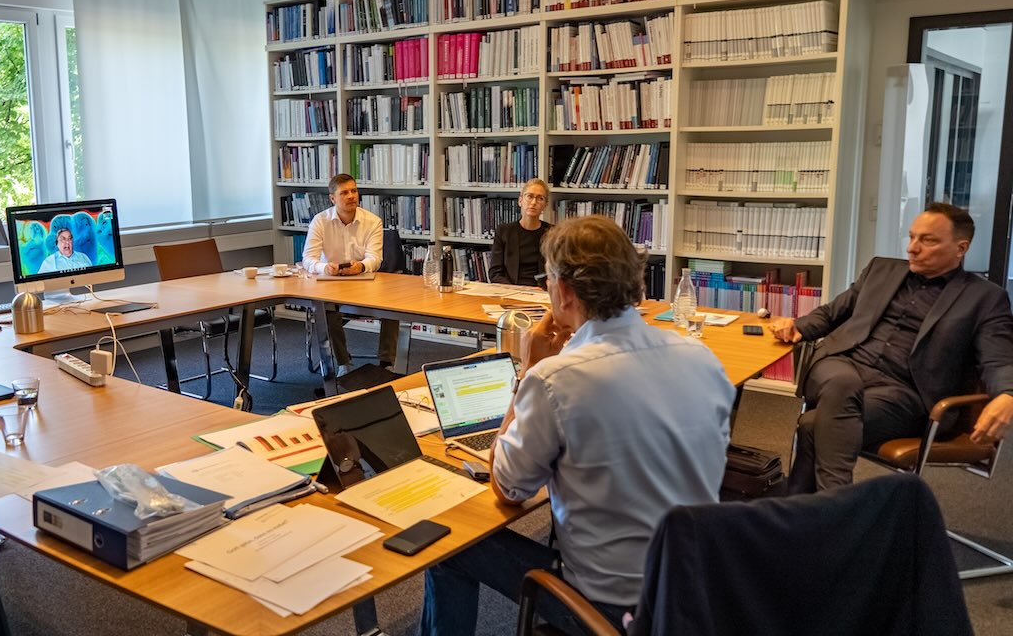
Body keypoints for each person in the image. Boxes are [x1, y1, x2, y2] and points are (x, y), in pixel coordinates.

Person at [419, 216, 736, 635]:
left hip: (607, 609)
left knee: (449, 541)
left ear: (564, 292)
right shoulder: (702, 359)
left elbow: (507, 487)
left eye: (546, 278)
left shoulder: (555, 379)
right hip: (695, 590)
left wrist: (528, 370)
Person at [772, 202, 1013, 493]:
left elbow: (998, 360)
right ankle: (836, 508)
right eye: (911, 237)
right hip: (842, 364)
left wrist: (1008, 395)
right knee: (843, 384)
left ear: (960, 248)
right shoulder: (880, 270)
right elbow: (833, 313)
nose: (912, 248)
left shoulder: (985, 298)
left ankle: (804, 508)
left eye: (928, 240)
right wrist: (798, 326)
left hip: (902, 392)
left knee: (814, 425)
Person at [301, 174, 399, 375]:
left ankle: (386, 363)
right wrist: (324, 267)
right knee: (328, 312)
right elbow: (308, 259)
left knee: (393, 308)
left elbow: (375, 258)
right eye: (344, 192)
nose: (351, 196)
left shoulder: (372, 222)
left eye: (354, 191)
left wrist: (361, 266)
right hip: (331, 285)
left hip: (365, 285)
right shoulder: (320, 222)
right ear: (333, 198)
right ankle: (343, 363)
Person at [488, 178, 552, 286]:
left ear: (545, 205)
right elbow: (495, 273)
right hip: (511, 291)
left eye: (540, 198)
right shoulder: (504, 231)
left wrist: (545, 288)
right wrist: (514, 290)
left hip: (542, 292)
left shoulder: (553, 233)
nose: (533, 202)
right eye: (530, 196)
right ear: (520, 201)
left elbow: (560, 271)